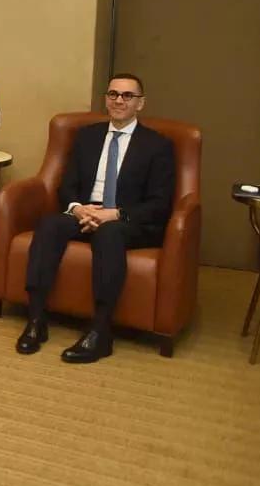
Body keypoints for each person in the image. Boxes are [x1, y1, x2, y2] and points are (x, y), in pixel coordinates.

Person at [16, 72, 175, 363]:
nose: (119, 100)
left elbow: (160, 203)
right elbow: (67, 185)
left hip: (126, 219)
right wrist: (79, 208)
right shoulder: (87, 136)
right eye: (113, 94)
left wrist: (114, 214)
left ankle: (100, 332)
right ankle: (36, 320)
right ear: (106, 99)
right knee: (50, 224)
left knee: (109, 232)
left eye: (127, 96)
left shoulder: (158, 145)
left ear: (140, 103)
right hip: (87, 211)